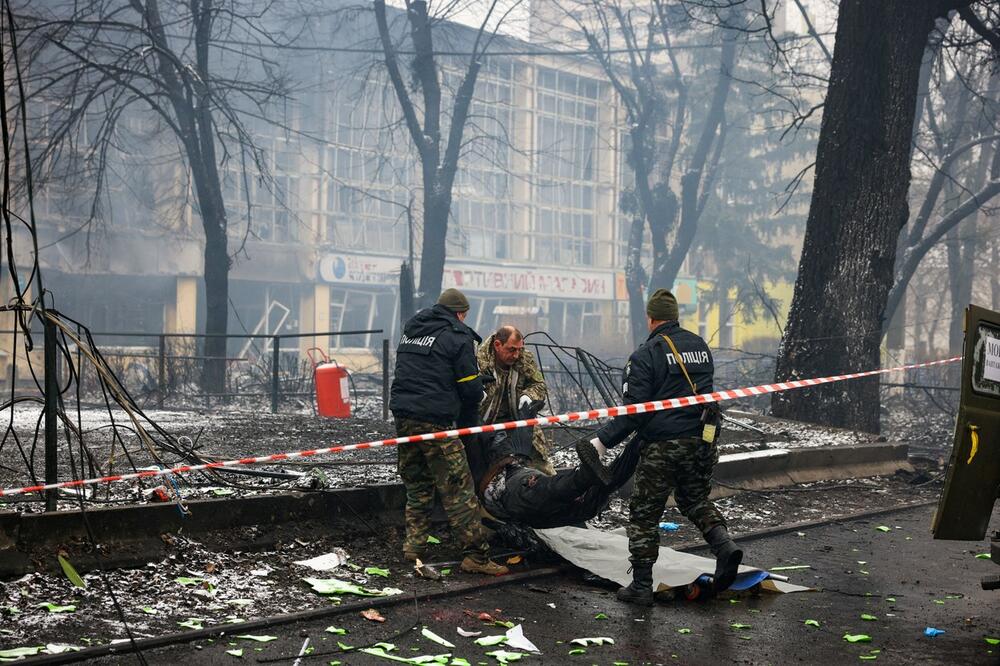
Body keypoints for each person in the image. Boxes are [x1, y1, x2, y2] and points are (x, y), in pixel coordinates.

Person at [576, 288, 742, 604]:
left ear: (651, 318)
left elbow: (634, 413)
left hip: (663, 447)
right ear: (674, 316)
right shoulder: (700, 347)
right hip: (702, 441)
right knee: (693, 499)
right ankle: (724, 546)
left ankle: (640, 585)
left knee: (643, 513)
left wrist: (601, 441)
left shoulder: (646, 354)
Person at [389, 288, 508, 576]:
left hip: (404, 417)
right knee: (458, 489)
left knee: (417, 485)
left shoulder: (412, 329)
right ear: (460, 313)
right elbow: (468, 389)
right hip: (435, 422)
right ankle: (476, 557)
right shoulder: (459, 336)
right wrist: (479, 385)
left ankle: (413, 547)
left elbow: (427, 371)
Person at [476, 326, 555, 475]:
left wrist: (529, 395)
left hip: (518, 421)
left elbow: (539, 384)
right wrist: (477, 393)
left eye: (519, 349)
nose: (516, 354)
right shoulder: (479, 360)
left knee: (541, 466)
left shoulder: (525, 358)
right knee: (479, 470)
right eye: (512, 349)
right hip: (485, 425)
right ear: (497, 345)